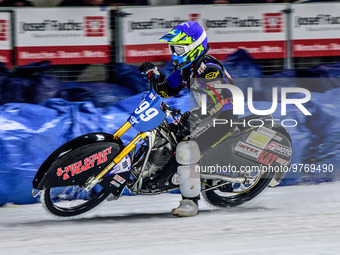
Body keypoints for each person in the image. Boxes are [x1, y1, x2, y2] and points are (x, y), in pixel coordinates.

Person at [139, 21, 234, 217]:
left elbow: (216, 103)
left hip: (222, 118)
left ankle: (190, 202)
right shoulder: (187, 68)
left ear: (194, 48)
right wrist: (154, 75)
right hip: (204, 114)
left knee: (185, 149)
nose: (174, 53)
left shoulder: (209, 70)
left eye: (179, 48)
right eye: (173, 48)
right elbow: (167, 89)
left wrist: (192, 118)